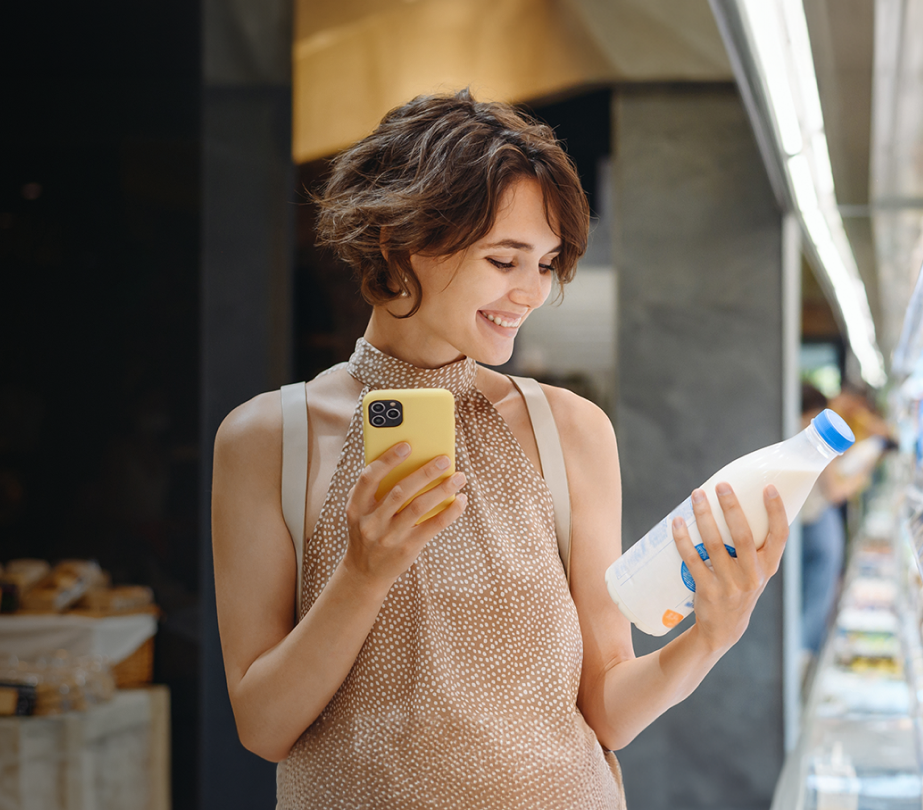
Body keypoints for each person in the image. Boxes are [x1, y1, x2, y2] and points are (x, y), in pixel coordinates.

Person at [211, 89, 790, 809]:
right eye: (504, 259)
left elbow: (607, 709)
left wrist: (709, 636)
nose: (531, 293)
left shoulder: (570, 430)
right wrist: (363, 574)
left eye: (545, 265)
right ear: (402, 240)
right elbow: (263, 726)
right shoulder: (268, 439)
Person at [797, 383, 874, 669]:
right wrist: (863, 473)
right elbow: (835, 492)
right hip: (818, 523)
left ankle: (801, 657)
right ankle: (804, 659)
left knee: (805, 593)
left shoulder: (785, 434)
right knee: (817, 596)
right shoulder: (812, 438)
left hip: (799, 526)